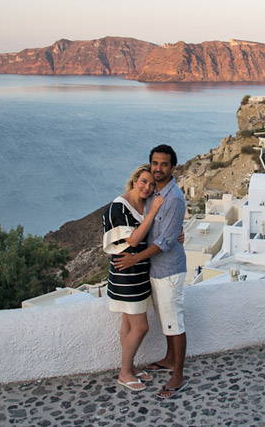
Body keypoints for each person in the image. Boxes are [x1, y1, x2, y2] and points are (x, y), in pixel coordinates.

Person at [115, 144, 188, 399]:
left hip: (169, 271)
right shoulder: (154, 193)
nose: (158, 168)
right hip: (155, 271)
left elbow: (164, 243)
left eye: (164, 164)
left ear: (173, 167)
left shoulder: (174, 198)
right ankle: (169, 359)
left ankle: (177, 375)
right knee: (166, 319)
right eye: (155, 163)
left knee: (175, 322)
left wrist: (134, 259)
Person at [103, 164, 164, 392]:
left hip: (138, 272)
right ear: (134, 180)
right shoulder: (119, 207)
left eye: (151, 184)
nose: (147, 187)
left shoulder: (143, 204)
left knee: (128, 324)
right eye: (144, 181)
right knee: (141, 327)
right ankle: (125, 371)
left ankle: (130, 366)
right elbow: (135, 240)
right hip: (126, 275)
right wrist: (153, 211)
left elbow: (152, 234)